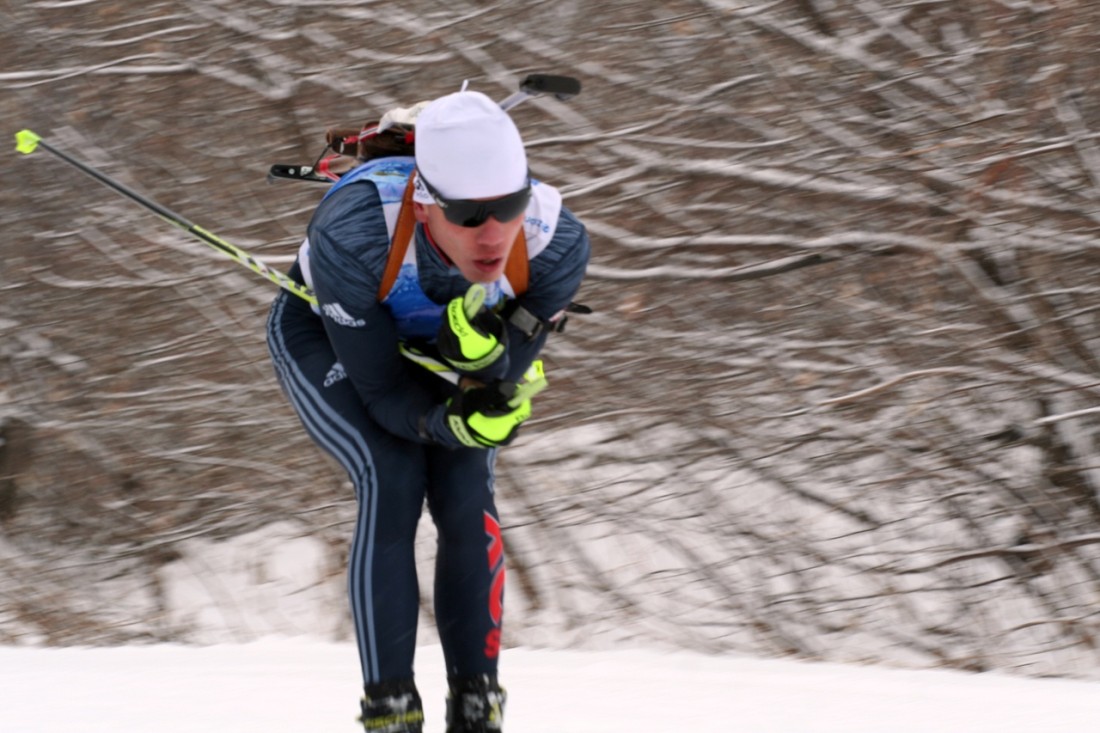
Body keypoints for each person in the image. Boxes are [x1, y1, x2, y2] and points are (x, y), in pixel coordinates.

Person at [266, 88, 590, 733]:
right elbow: (385, 393)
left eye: (508, 206)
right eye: (470, 214)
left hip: (434, 352)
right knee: (393, 472)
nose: (493, 233)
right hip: (332, 335)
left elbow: (500, 385)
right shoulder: (354, 232)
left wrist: (484, 379)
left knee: (466, 485)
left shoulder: (556, 243)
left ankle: (477, 704)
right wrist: (445, 418)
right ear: (425, 201)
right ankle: (390, 709)